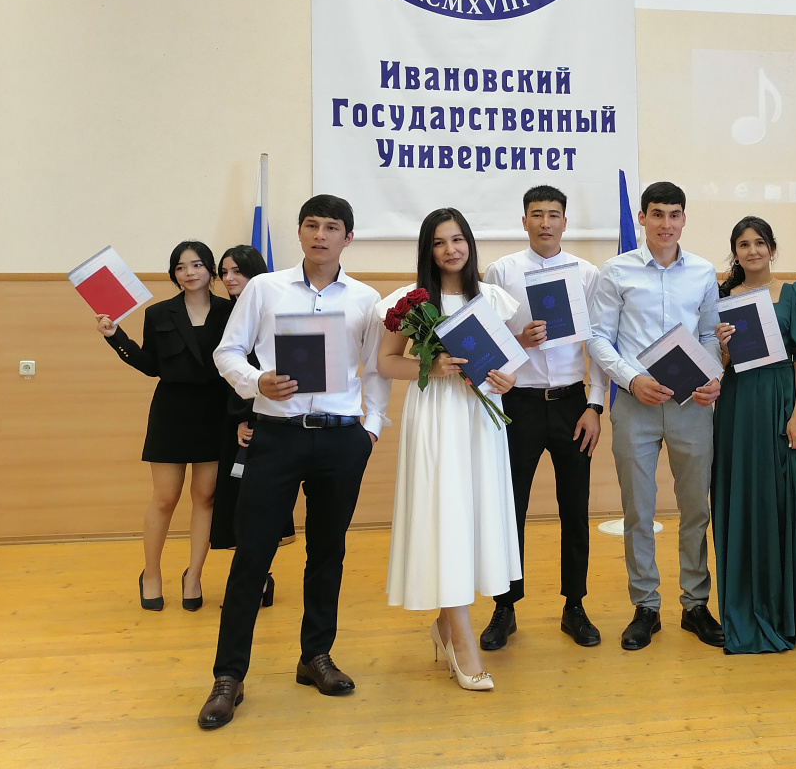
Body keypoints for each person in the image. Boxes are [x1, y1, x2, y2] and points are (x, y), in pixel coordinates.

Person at [199, 195, 389, 730]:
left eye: (332, 227)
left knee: (327, 553)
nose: (321, 235)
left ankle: (316, 656)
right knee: (252, 555)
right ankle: (228, 676)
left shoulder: (366, 299)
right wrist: (256, 380)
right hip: (276, 437)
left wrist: (371, 428)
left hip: (341, 439)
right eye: (312, 225)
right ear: (300, 232)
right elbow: (226, 352)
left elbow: (376, 369)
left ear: (348, 237)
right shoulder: (265, 288)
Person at [375, 207, 521, 692]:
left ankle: (445, 625)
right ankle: (462, 641)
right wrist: (431, 367)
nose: (450, 249)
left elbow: (506, 364)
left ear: (470, 244)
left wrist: (506, 379)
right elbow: (386, 363)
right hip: (436, 416)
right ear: (428, 250)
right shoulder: (410, 302)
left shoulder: (493, 299)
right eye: (439, 242)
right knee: (444, 516)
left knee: (473, 517)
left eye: (457, 239)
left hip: (481, 418)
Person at [588, 181, 725, 651]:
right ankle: (646, 606)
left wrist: (713, 375)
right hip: (636, 404)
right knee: (639, 511)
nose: (666, 224)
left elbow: (709, 334)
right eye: (658, 214)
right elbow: (599, 337)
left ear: (684, 218)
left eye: (674, 214)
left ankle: (695, 604)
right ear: (642, 218)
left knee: (696, 508)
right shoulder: (616, 270)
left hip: (692, 406)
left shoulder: (703, 271)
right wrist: (631, 380)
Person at [477, 186, 608, 652]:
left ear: (565, 222)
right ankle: (505, 606)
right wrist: (519, 339)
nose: (546, 222)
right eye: (537, 214)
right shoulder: (502, 271)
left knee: (575, 507)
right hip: (520, 405)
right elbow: (486, 342)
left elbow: (600, 342)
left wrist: (596, 406)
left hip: (573, 403)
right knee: (509, 507)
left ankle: (575, 605)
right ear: (525, 221)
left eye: (554, 215)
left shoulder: (587, 274)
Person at [96, 240, 231, 614]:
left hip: (215, 412)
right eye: (181, 267)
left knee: (206, 496)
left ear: (211, 270)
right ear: (174, 274)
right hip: (172, 413)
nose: (189, 272)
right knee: (165, 497)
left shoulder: (231, 310)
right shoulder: (158, 313)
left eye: (197, 265)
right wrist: (116, 337)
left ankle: (194, 575)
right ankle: (151, 573)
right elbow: (150, 365)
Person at [712, 216, 796, 654]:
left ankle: (789, 610)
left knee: (781, 499)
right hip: (738, 403)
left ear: (772, 249)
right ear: (735, 253)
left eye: (759, 243)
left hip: (781, 401)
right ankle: (747, 604)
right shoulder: (723, 298)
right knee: (742, 495)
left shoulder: (794, 293)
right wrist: (723, 347)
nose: (752, 251)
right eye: (743, 244)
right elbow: (721, 364)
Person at [210, 246, 294, 607]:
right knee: (238, 507)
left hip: (263, 421)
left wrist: (248, 417)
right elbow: (225, 370)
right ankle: (252, 580)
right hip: (233, 423)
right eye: (224, 272)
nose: (230, 278)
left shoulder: (270, 309)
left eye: (238, 271)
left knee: (262, 507)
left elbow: (270, 369)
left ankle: (259, 579)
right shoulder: (222, 313)